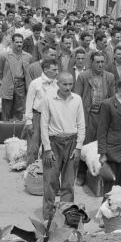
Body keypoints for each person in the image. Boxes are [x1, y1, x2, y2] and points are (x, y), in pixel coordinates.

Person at [40, 72, 85, 220]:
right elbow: (43, 124)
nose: (68, 87)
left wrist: (78, 148)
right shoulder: (48, 99)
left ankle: (66, 216)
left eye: (70, 84)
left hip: (72, 143)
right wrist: (47, 149)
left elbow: (81, 125)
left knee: (68, 183)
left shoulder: (77, 99)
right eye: (64, 84)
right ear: (57, 83)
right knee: (50, 182)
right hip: (54, 143)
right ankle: (48, 217)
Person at [73, 50, 115, 144]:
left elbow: (113, 99)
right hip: (88, 115)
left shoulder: (110, 77)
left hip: (103, 115)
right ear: (91, 63)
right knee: (86, 143)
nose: (100, 65)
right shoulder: (83, 76)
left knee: (102, 143)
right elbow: (76, 98)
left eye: (102, 62)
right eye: (97, 62)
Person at [24, 59, 59, 165]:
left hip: (51, 118)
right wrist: (29, 121)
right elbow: (29, 102)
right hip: (37, 116)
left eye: (57, 69)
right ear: (45, 70)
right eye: (54, 70)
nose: (57, 72)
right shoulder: (35, 83)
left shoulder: (57, 84)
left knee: (48, 146)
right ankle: (30, 171)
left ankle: (45, 172)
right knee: (33, 146)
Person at [0, 33, 32, 121]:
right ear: (12, 43)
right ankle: (5, 132)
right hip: (8, 84)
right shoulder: (5, 55)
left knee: (19, 110)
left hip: (21, 85)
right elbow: (0, 71)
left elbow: (30, 72)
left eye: (21, 42)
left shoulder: (28, 57)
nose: (19, 44)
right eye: (17, 42)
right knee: (6, 110)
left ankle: (16, 132)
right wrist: (5, 81)